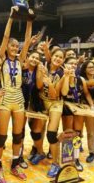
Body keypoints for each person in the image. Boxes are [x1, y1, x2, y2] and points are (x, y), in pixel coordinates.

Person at [0, 6, 33, 183]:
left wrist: (29, 20)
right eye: (12, 45)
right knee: (1, 136)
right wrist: (11, 17)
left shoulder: (21, 59)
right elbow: (5, 37)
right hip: (4, 98)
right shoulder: (1, 58)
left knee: (18, 135)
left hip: (18, 99)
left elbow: (27, 39)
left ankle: (15, 164)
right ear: (7, 47)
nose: (15, 48)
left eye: (17, 46)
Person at [61, 57, 94, 171]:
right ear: (65, 65)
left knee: (77, 134)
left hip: (78, 108)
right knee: (68, 134)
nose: (73, 65)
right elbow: (64, 93)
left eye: (75, 64)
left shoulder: (81, 79)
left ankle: (75, 158)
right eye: (71, 63)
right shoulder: (63, 77)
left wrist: (92, 106)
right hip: (66, 107)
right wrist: (67, 77)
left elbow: (86, 93)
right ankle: (67, 160)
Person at [36, 48, 66, 178]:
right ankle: (40, 152)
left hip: (55, 103)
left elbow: (55, 95)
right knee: (36, 131)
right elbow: (38, 87)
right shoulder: (44, 67)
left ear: (63, 60)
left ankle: (55, 163)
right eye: (56, 56)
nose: (58, 58)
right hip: (43, 102)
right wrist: (40, 75)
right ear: (51, 57)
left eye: (61, 57)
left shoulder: (62, 73)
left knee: (51, 134)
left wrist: (49, 83)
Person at [22, 51, 47, 166]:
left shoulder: (40, 71)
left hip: (36, 104)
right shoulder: (22, 69)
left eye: (37, 58)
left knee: (36, 131)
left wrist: (40, 72)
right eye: (33, 57)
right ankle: (19, 154)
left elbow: (39, 86)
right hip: (22, 103)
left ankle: (40, 152)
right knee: (20, 130)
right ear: (28, 57)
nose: (34, 60)